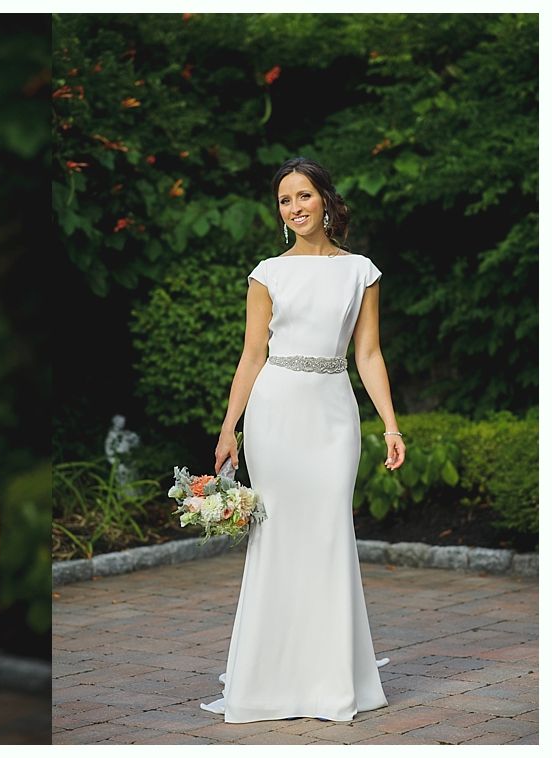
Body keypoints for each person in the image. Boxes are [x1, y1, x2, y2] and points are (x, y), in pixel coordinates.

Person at [202, 156, 406, 723]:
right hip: (276, 410)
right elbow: (251, 354)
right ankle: (270, 676)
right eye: (286, 200)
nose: (295, 207)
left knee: (329, 534)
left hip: (333, 413)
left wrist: (390, 424)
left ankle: (330, 677)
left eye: (304, 196)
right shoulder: (267, 272)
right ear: (280, 212)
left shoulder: (361, 271)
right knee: (278, 539)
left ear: (326, 200)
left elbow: (368, 353)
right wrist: (229, 427)